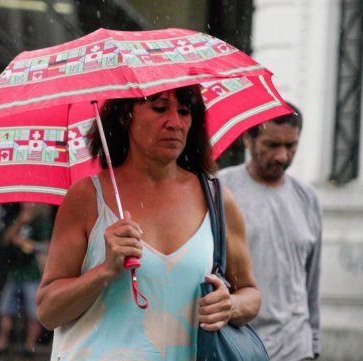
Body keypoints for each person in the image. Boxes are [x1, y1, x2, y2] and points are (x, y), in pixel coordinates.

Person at [36, 85, 261, 360]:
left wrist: (230, 305)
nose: (175, 122)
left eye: (184, 111)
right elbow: (48, 311)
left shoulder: (215, 199)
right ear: (125, 116)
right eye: (159, 108)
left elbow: (250, 294)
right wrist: (105, 271)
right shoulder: (86, 198)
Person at [218, 103, 322, 361]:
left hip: (295, 347)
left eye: (291, 146)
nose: (282, 157)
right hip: (240, 343)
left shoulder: (307, 198)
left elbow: (312, 278)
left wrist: (314, 341)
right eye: (272, 145)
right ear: (247, 139)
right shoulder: (220, 190)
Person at [0, 203, 52, 356]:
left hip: (32, 274)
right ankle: (1, 344)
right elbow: (6, 240)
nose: (27, 205)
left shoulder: (41, 223)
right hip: (14, 273)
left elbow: (47, 246)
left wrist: (26, 244)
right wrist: (20, 222)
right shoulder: (14, 219)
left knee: (33, 314)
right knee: (6, 311)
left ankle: (29, 346)